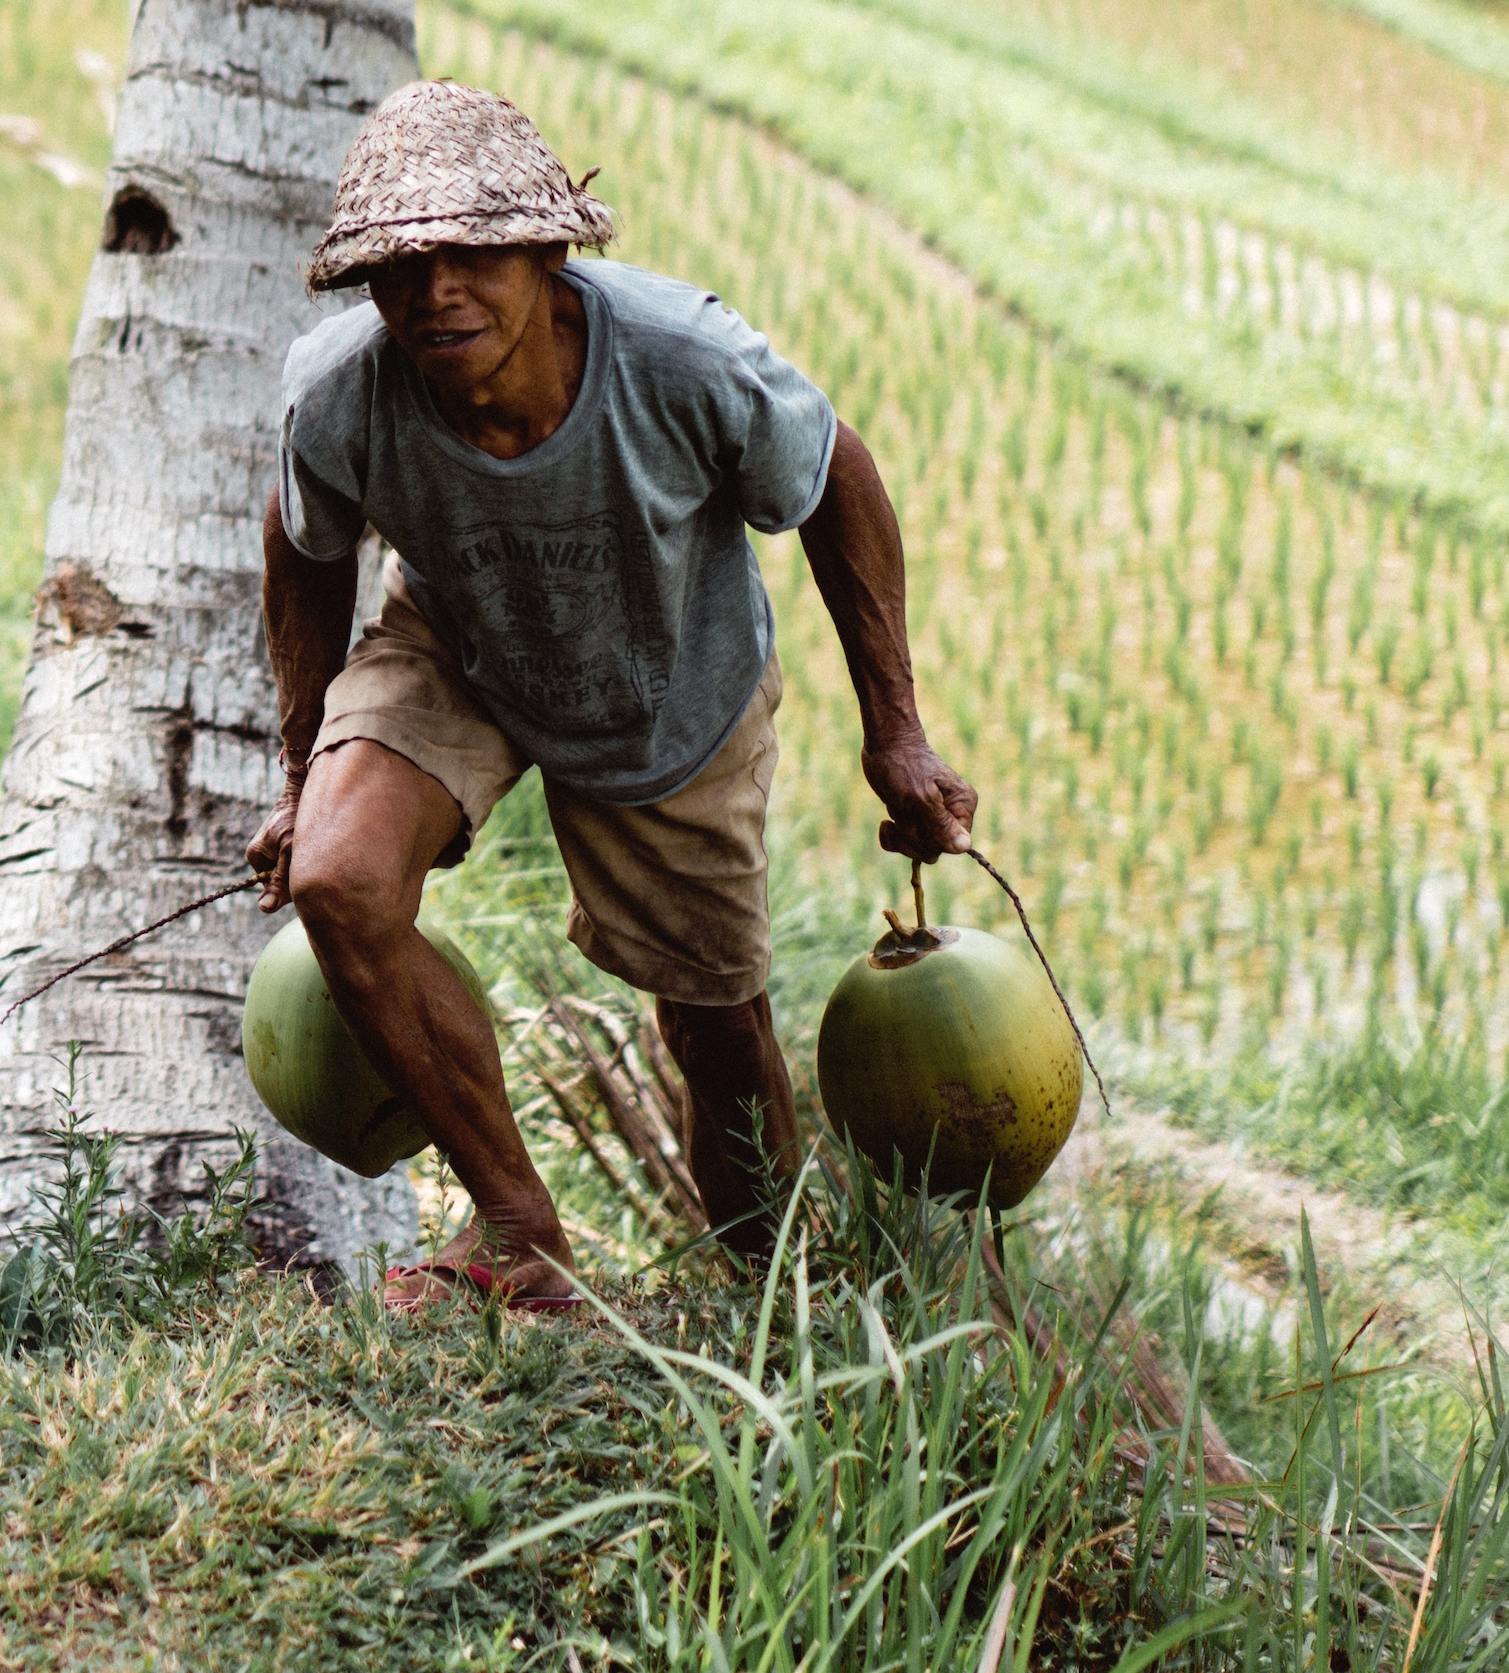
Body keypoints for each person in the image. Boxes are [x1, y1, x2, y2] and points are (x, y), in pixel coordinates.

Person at [243, 79, 978, 1312]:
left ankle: (771, 1300)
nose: (435, 293)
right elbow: (302, 539)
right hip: (459, 639)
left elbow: (834, 469)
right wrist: (297, 768)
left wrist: (893, 731)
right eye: (399, 268)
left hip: (666, 677)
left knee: (715, 1032)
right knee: (335, 879)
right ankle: (518, 1231)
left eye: (470, 255)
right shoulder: (340, 393)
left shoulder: (679, 359)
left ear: (544, 250)